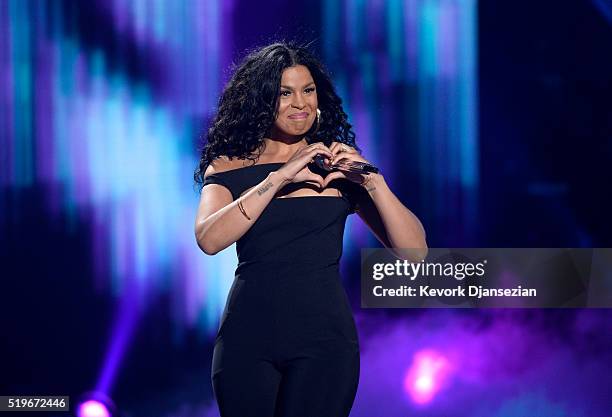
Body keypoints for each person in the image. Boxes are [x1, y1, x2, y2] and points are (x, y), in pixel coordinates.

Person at [194, 42, 427, 417]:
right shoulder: (228, 166)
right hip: (246, 339)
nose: (299, 103)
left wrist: (373, 182)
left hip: (324, 341)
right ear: (262, 99)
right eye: (284, 93)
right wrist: (282, 174)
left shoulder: (335, 166)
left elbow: (416, 254)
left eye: (307, 90)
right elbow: (209, 238)